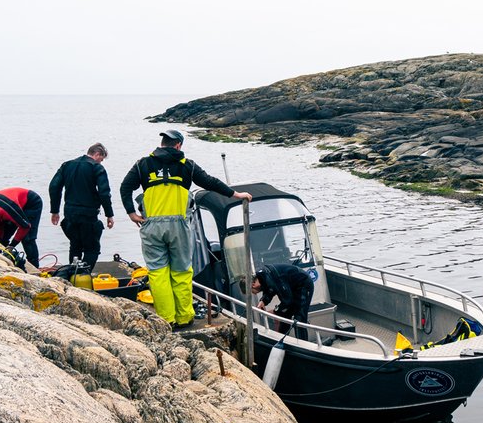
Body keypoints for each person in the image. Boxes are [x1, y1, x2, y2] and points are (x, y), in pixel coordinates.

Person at [119, 130, 252, 330]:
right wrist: (235, 194)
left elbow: (125, 188)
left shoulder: (143, 164)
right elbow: (210, 182)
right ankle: (184, 317)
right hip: (179, 226)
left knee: (157, 272)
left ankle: (166, 319)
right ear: (179, 145)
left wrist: (131, 213)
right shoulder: (187, 166)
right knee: (181, 271)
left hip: (151, 226)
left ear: (162, 144)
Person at [49, 142, 115, 271]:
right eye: (101, 159)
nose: (101, 162)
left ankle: (72, 275)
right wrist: (109, 214)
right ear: (97, 154)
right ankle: (83, 276)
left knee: (75, 245)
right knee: (92, 249)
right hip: (88, 214)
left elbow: (54, 187)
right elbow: (104, 193)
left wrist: (54, 211)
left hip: (69, 213)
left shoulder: (67, 165)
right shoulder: (96, 168)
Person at [252, 263, 315, 337]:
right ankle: (282, 341)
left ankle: (303, 345)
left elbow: (287, 300)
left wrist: (276, 311)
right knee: (284, 315)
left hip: (303, 284)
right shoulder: (261, 277)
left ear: (253, 285)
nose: (254, 294)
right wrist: (263, 301)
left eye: (251, 291)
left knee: (299, 318)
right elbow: (269, 290)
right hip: (291, 287)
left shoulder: (271, 278)